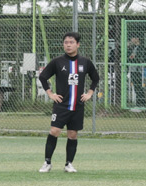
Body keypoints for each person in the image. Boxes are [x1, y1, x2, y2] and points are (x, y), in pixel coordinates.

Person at [37, 32, 100, 173]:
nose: (68, 45)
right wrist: (50, 94)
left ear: (78, 44)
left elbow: (95, 78)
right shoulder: (57, 62)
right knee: (54, 131)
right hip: (61, 105)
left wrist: (89, 93)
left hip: (78, 106)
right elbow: (43, 77)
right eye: (66, 42)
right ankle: (47, 162)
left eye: (71, 42)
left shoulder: (85, 62)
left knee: (72, 134)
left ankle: (68, 164)